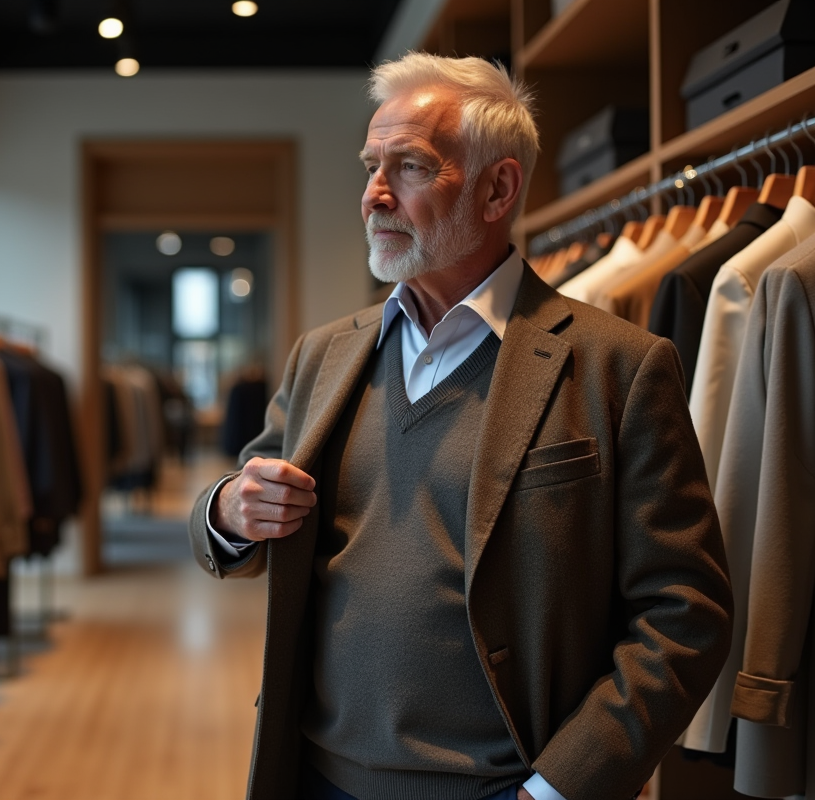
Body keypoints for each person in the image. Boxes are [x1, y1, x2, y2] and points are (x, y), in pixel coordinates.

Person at [189, 52, 733, 800]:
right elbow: (237, 508)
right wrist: (228, 510)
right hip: (314, 776)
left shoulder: (619, 366)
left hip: (503, 788)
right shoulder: (326, 353)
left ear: (496, 188)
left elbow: (685, 615)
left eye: (407, 166)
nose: (374, 195)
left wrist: (558, 789)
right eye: (370, 166)